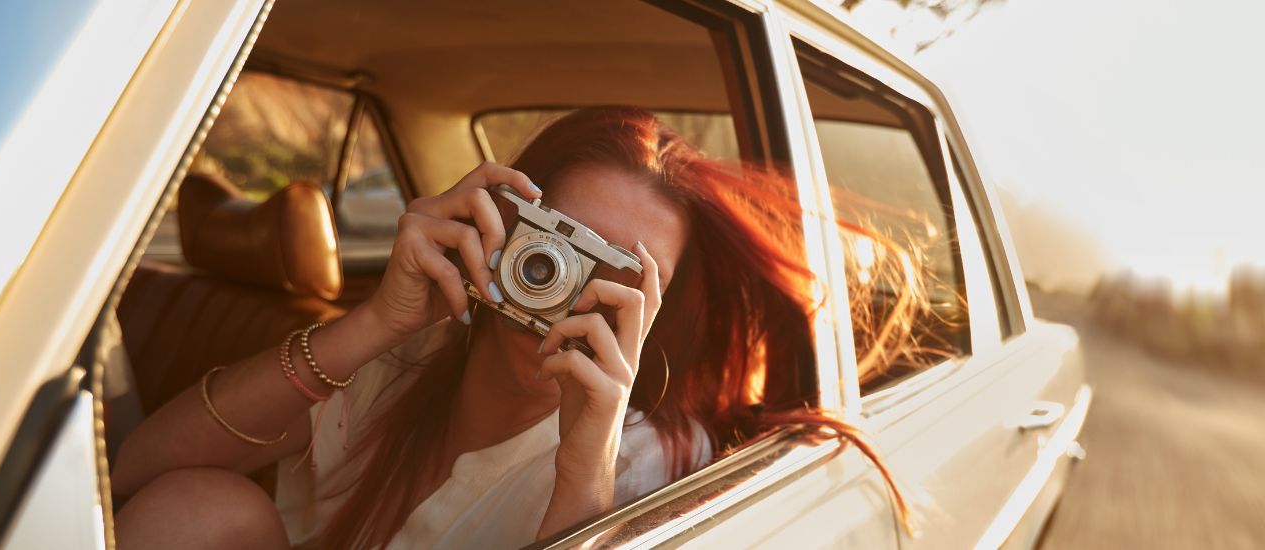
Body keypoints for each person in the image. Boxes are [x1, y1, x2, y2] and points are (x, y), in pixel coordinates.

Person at [111, 106, 906, 549]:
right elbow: (138, 473)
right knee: (199, 508)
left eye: (617, 273)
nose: (566, 286)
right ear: (495, 223)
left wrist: (583, 459)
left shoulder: (651, 459)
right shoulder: (406, 354)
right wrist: (373, 325)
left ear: (656, 312)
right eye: (555, 246)